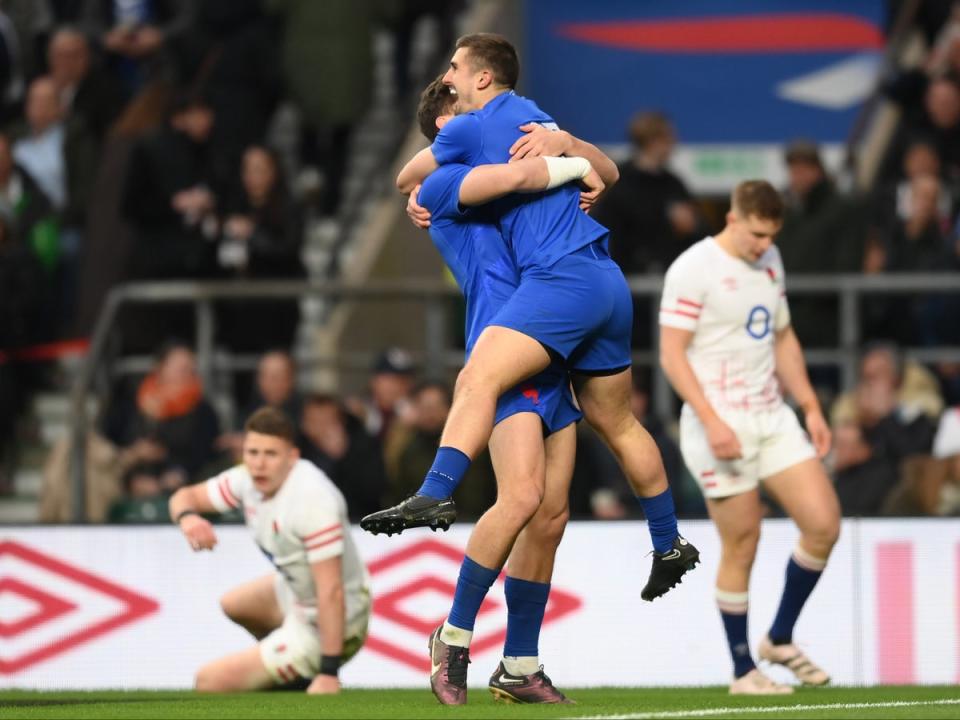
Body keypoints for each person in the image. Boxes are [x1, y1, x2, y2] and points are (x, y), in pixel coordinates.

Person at [369, 34, 698, 602]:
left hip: (544, 310)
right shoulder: (529, 127)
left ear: (478, 83)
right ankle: (667, 541)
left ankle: (437, 496)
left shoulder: (472, 134)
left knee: (516, 474)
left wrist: (563, 156)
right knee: (556, 496)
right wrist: (571, 157)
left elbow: (414, 174)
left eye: (454, 69)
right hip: (593, 287)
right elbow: (605, 173)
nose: (449, 76)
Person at [363, 77, 590, 704]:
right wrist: (566, 161)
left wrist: (574, 183)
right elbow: (504, 181)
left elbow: (560, 194)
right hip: (505, 348)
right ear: (445, 129)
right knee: (519, 498)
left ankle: (519, 664)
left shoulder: (498, 170)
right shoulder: (446, 190)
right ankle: (452, 636)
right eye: (463, 112)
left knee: (550, 516)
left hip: (550, 347)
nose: (480, 117)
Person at [658, 180, 840, 694]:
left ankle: (779, 637)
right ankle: (743, 671)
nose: (764, 244)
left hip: (771, 416)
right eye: (757, 234)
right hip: (719, 420)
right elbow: (672, 354)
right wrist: (712, 421)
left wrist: (809, 405)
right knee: (743, 541)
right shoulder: (693, 268)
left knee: (823, 524)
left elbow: (781, 335)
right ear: (733, 219)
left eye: (771, 235)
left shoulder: (771, 259)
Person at [168, 407, 370, 694]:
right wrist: (188, 518)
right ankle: (289, 670)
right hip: (299, 595)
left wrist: (329, 672)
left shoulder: (313, 499)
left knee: (208, 682)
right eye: (253, 452)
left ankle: (306, 665)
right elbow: (184, 496)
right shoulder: (246, 479)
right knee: (234, 603)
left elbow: (331, 591)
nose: (259, 464)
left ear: (292, 457)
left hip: (338, 618)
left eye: (271, 454)